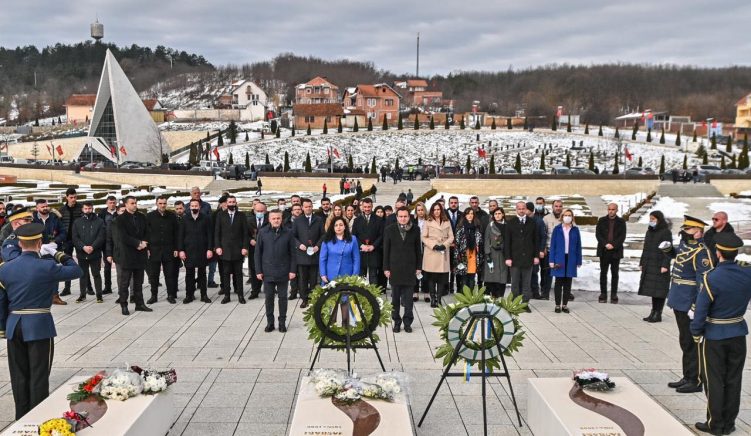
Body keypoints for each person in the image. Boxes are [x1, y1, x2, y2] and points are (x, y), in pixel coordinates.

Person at [0, 222, 82, 419]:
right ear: (39, 243)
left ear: (19, 243)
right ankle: (37, 417)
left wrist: (3, 327)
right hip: (38, 326)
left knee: (19, 376)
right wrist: (57, 254)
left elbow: (1, 300)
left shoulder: (5, 269)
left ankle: (21, 418)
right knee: (38, 376)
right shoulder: (47, 266)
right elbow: (76, 270)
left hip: (14, 325)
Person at [690, 233, 751, 435]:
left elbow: (701, 309)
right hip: (738, 333)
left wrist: (696, 331)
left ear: (718, 253)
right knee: (734, 379)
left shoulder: (711, 277)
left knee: (715, 380)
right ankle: (729, 423)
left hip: (715, 335)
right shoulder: (747, 274)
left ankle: (715, 424)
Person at [664, 215, 714, 394]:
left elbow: (704, 281)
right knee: (685, 341)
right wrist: (669, 251)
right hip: (679, 299)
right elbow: (678, 256)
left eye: (689, 229)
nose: (684, 231)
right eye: (685, 228)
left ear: (699, 233)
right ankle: (688, 375)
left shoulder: (702, 252)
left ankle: (696, 380)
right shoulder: (686, 246)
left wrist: (697, 306)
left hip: (689, 302)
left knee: (693, 343)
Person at [256, 210, 297, 333]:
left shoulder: (288, 233)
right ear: (269, 219)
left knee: (283, 298)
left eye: (278, 218)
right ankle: (270, 322)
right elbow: (257, 253)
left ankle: (282, 322)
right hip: (267, 271)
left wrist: (292, 270)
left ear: (282, 219)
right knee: (269, 298)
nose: (276, 220)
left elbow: (293, 254)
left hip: (283, 271)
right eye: (273, 218)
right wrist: (258, 270)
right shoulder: (263, 232)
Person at [383, 207, 422, 333]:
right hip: (395, 269)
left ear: (409, 217)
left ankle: (407, 322)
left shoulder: (416, 229)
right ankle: (396, 322)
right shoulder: (390, 230)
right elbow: (386, 250)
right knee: (395, 300)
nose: (403, 219)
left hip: (410, 268)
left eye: (405, 216)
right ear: (397, 217)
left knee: (408, 300)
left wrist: (418, 267)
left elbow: (418, 250)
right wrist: (386, 268)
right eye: (400, 216)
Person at [114, 196, 152, 316]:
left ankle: (139, 304)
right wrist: (137, 243)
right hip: (127, 254)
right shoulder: (120, 220)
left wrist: (144, 243)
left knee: (138, 281)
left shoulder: (141, 217)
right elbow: (122, 237)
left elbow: (147, 231)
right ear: (126, 205)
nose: (135, 205)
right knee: (124, 282)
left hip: (140, 254)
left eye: (136, 203)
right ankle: (124, 305)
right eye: (132, 203)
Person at [503, 201, 539, 312]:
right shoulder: (510, 223)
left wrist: (536, 256)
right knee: (515, 283)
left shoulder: (532, 223)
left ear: (526, 209)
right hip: (514, 258)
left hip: (528, 258)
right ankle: (514, 303)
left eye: (523, 208)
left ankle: (525, 304)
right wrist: (508, 257)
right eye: (519, 208)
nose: (521, 210)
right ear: (516, 209)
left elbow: (536, 241)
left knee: (526, 283)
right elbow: (507, 242)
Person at [637, 211, 672, 323]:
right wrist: (642, 262)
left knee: (659, 290)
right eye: (650, 219)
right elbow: (645, 248)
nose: (651, 221)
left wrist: (665, 264)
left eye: (653, 219)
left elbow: (668, 249)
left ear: (659, 219)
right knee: (653, 290)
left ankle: (658, 313)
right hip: (649, 263)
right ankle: (653, 312)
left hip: (660, 264)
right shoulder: (650, 231)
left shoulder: (665, 232)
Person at [214, 195, 249, 304]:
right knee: (225, 273)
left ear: (236, 203)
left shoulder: (241, 215)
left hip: (238, 250)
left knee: (238, 274)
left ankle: (240, 295)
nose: (231, 204)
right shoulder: (220, 215)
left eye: (233, 202)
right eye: (229, 202)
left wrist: (245, 247)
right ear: (226, 203)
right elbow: (217, 233)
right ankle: (227, 296)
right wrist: (218, 246)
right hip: (225, 250)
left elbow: (245, 233)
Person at [145, 196, 179, 304]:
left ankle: (170, 295)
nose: (162, 205)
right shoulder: (150, 216)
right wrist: (147, 248)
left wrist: (176, 248)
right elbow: (145, 233)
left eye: (164, 203)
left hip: (168, 250)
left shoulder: (172, 216)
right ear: (156, 204)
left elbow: (176, 234)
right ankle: (154, 296)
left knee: (169, 274)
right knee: (154, 275)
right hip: (154, 250)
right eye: (160, 203)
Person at [178, 199, 213, 304]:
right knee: (189, 274)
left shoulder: (206, 218)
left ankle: (204, 295)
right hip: (189, 250)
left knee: (202, 274)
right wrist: (181, 250)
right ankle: (189, 295)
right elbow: (180, 236)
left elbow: (210, 235)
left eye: (196, 206)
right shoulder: (185, 219)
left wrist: (210, 249)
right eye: (192, 206)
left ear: (199, 207)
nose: (194, 207)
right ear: (189, 207)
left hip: (202, 250)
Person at [548, 209, 582, 314]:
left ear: (572, 217)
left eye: (569, 215)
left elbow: (578, 246)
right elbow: (552, 245)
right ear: (562, 217)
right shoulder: (557, 229)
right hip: (559, 258)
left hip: (571, 258)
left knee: (568, 283)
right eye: (566, 215)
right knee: (558, 282)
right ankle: (557, 304)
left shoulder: (575, 230)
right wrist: (551, 260)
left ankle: (565, 305)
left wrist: (579, 260)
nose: (567, 217)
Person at [292, 199, 324, 308]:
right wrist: (299, 244)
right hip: (302, 254)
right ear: (302, 208)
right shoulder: (298, 220)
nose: (308, 208)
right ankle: (304, 299)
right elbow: (293, 236)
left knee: (314, 279)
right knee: (303, 279)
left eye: (310, 206)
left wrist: (317, 246)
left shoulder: (318, 220)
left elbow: (323, 235)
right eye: (306, 207)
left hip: (314, 254)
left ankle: (313, 298)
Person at [421, 202, 454, 307]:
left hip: (443, 251)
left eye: (438, 209)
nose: (436, 211)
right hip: (431, 252)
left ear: (441, 210)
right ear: (432, 210)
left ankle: (439, 299)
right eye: (434, 210)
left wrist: (445, 245)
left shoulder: (447, 221)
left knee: (441, 278)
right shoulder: (428, 221)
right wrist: (433, 245)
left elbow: (451, 237)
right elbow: (423, 237)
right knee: (431, 278)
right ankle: (433, 299)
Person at [72, 202, 105, 303]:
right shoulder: (77, 222)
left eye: (90, 208)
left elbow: (101, 236)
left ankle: (99, 295)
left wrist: (93, 247)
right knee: (82, 274)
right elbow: (75, 237)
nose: (88, 211)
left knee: (96, 274)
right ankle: (82, 295)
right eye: (86, 209)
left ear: (92, 209)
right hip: (82, 253)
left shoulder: (99, 221)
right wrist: (83, 247)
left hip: (95, 253)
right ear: (82, 209)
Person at [595, 203, 626, 304]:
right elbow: (598, 234)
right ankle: (603, 294)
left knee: (614, 273)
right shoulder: (601, 220)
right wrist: (605, 244)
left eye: (613, 209)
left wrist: (613, 245)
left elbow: (622, 236)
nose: (611, 211)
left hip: (615, 251)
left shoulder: (621, 222)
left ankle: (614, 294)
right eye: (609, 209)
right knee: (603, 273)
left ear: (616, 210)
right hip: (604, 251)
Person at [351, 198, 384, 285]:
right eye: (365, 207)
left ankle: (374, 296)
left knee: (373, 275)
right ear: (362, 207)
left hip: (374, 251)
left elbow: (381, 235)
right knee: (361, 276)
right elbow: (354, 236)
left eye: (369, 207)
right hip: (361, 251)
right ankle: (361, 296)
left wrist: (373, 246)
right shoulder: (357, 220)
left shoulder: (379, 220)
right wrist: (361, 245)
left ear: (372, 206)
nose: (367, 209)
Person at [319, 216, 360, 283]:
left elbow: (356, 258)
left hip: (348, 275)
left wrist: (355, 275)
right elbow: (322, 259)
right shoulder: (327, 240)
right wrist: (323, 274)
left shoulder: (353, 239)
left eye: (341, 225)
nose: (338, 227)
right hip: (330, 275)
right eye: (336, 225)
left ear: (345, 227)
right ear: (333, 227)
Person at [58, 188, 83, 297]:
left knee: (83, 262)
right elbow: (59, 225)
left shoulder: (81, 208)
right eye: (71, 197)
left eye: (75, 197)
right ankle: (67, 288)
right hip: (67, 240)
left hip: (79, 239)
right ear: (67, 197)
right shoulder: (62, 209)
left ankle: (88, 286)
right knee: (67, 263)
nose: (73, 199)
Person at [453, 208, 483, 290]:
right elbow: (457, 244)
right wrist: (457, 258)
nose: (470, 215)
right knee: (464, 278)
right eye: (468, 214)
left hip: (473, 255)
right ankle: (464, 298)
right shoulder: (460, 228)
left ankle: (471, 297)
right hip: (463, 256)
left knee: (472, 277)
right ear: (465, 215)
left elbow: (480, 242)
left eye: (472, 214)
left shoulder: (477, 227)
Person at [483, 207, 508, 298]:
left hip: (503, 254)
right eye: (495, 214)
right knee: (491, 277)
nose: (497, 215)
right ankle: (490, 296)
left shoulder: (507, 225)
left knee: (502, 277)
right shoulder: (490, 225)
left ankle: (500, 296)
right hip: (492, 254)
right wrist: (487, 254)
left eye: (499, 213)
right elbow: (486, 240)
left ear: (503, 214)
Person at [541, 199, 563, 300]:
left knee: (562, 273)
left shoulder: (566, 218)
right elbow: (542, 234)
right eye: (556, 206)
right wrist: (543, 248)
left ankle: (562, 293)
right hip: (549, 250)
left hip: (562, 252)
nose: (558, 208)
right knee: (547, 274)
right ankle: (545, 294)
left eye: (560, 206)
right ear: (552, 207)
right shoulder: (546, 218)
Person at [246, 201, 267, 298]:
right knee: (254, 269)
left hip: (267, 249)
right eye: (258, 210)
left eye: (261, 211)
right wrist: (250, 240)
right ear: (254, 211)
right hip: (253, 249)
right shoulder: (248, 220)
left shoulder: (269, 220)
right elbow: (244, 234)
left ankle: (269, 288)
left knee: (267, 268)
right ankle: (255, 290)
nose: (259, 212)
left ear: (265, 211)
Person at [98, 195, 118, 295]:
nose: (112, 204)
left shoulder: (119, 212)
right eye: (110, 202)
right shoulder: (102, 213)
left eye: (114, 202)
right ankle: (108, 287)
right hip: (106, 242)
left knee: (121, 266)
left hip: (118, 242)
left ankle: (122, 286)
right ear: (107, 203)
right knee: (107, 266)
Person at [446, 196, 464, 293]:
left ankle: (458, 287)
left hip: (458, 246)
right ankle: (447, 287)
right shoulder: (444, 214)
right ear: (448, 204)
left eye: (455, 202)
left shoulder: (462, 215)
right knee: (446, 267)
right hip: (447, 246)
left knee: (458, 266)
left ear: (458, 203)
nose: (453, 204)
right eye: (452, 202)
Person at [413, 202, 430, 302]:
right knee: (416, 270)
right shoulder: (413, 221)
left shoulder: (429, 221)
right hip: (415, 249)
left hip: (426, 249)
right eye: (418, 210)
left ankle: (426, 292)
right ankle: (415, 292)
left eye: (422, 210)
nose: (420, 212)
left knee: (426, 271)